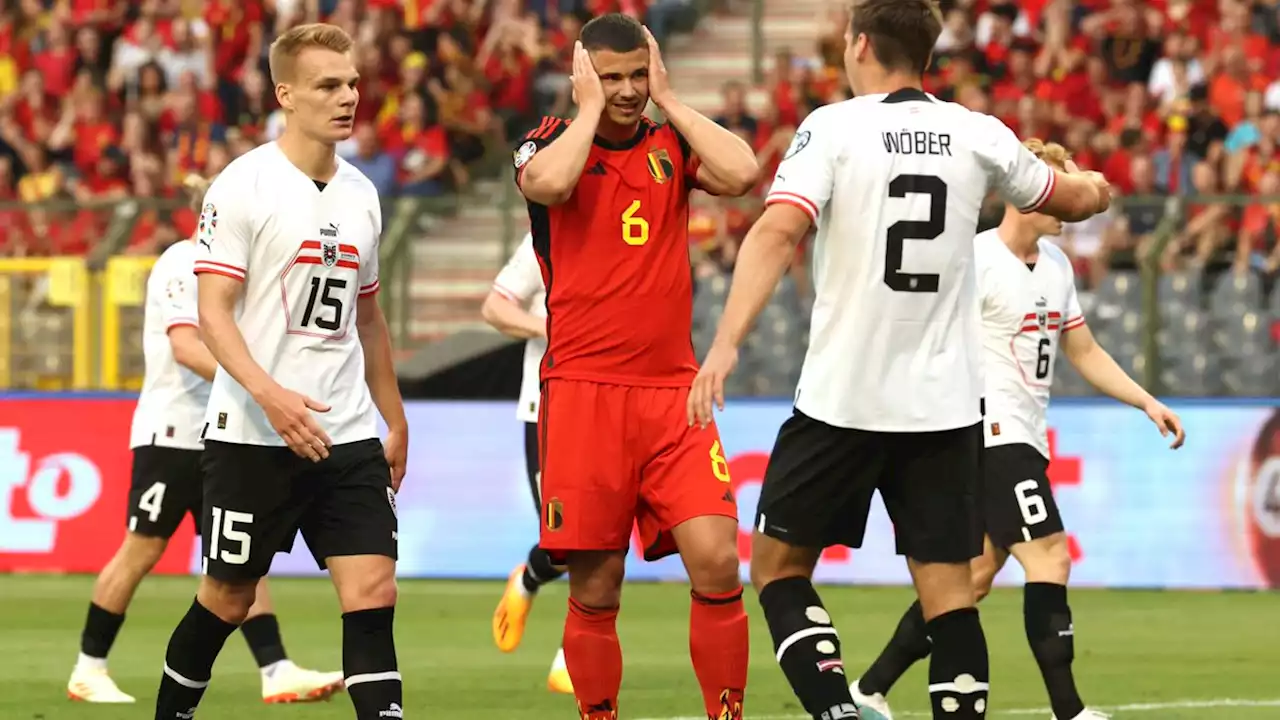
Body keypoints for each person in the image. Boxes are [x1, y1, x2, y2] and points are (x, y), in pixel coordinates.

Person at [687, 1, 1113, 719]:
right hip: (946, 409)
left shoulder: (832, 128)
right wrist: (1095, 192)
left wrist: (725, 343)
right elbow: (1068, 197)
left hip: (842, 398)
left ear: (858, 45)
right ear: (926, 55)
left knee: (777, 568)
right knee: (950, 595)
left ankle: (837, 709)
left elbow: (776, 230)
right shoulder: (977, 133)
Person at [848, 140, 1185, 720]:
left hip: (1024, 432)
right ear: (1027, 193)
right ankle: (1069, 710)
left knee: (973, 576)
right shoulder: (973, 261)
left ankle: (870, 687)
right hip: (991, 434)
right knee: (1051, 558)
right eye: (1059, 188)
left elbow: (1083, 349)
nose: (1069, 202)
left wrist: (1146, 401)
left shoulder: (1056, 267)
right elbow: (922, 336)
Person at [151, 23, 409, 720]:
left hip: (347, 432)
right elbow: (213, 312)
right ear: (285, 95)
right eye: (329, 85)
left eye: (353, 82)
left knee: (373, 594)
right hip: (253, 435)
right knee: (228, 598)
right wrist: (269, 396)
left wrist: (397, 420)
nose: (349, 97)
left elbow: (370, 319)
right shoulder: (243, 187)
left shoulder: (362, 194)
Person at [512, 12, 758, 720]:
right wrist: (587, 110)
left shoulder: (670, 146)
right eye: (611, 77)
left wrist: (673, 102)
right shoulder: (544, 142)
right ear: (583, 76)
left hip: (673, 395)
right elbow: (551, 187)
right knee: (597, 584)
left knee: (716, 559)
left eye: (636, 75)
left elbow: (743, 172)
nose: (627, 90)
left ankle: (726, 713)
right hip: (584, 394)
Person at [66, 175, 344, 707]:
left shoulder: (232, 274)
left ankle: (276, 669)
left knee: (238, 557)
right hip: (173, 434)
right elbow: (186, 347)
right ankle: (88, 667)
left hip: (221, 436)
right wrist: (261, 383)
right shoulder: (180, 263)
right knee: (142, 548)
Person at [482, 231, 573, 695]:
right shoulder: (547, 235)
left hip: (612, 407)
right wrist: (551, 329)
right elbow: (495, 306)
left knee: (606, 537)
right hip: (548, 409)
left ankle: (571, 658)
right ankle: (528, 579)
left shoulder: (630, 234)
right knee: (565, 542)